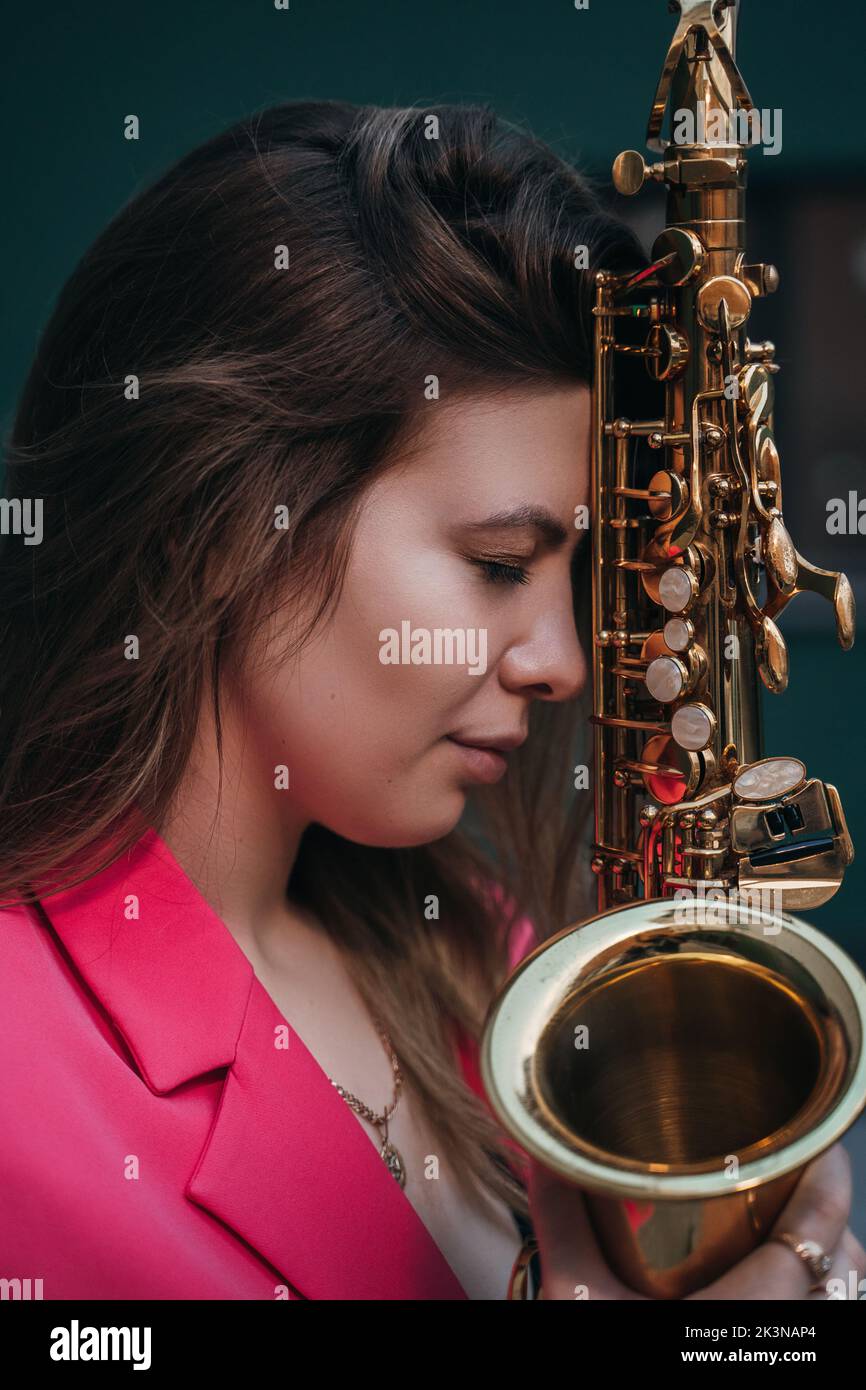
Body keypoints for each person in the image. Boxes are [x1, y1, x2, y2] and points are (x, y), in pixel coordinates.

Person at [0, 100, 862, 1301]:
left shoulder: (490, 959)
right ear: (225, 525)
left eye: (573, 576)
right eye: (499, 566)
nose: (558, 661)